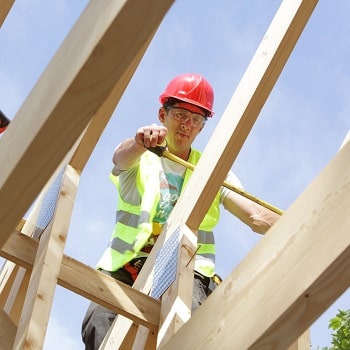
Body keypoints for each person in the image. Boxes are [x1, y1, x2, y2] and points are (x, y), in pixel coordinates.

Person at [81, 73, 280, 349]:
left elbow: (256, 216)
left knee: (190, 331)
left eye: (196, 120)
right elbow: (120, 157)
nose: (187, 125)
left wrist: (309, 221)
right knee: (98, 323)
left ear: (201, 127)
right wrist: (139, 143)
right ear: (163, 114)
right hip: (128, 265)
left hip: (187, 268)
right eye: (181, 115)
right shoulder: (141, 157)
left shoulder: (213, 169)